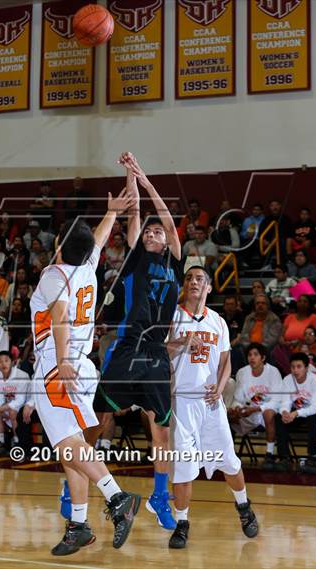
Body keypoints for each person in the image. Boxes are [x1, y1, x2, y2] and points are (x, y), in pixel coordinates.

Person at [31, 188, 140, 556]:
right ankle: (78, 525)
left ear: (59, 245)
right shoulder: (88, 267)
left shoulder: (53, 274)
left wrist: (60, 362)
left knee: (67, 445)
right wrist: (110, 214)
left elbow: (59, 318)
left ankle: (117, 497)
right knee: (71, 450)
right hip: (82, 364)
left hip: (57, 367)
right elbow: (95, 241)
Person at [93, 152, 182, 530]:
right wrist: (130, 175)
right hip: (127, 346)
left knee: (161, 431)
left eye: (156, 232)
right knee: (98, 418)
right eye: (147, 232)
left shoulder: (175, 260)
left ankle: (160, 496)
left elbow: (166, 220)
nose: (151, 233)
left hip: (156, 352)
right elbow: (135, 214)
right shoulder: (135, 261)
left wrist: (146, 180)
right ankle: (75, 481)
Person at [166, 266, 258, 549]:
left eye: (199, 279)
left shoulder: (217, 321)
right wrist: (181, 342)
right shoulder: (172, 317)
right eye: (189, 279)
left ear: (208, 288)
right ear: (184, 286)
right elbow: (159, 352)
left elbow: (225, 361)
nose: (194, 282)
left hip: (210, 403)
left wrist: (220, 388)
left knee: (229, 461)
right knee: (183, 468)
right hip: (182, 401)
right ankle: (182, 523)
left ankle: (244, 506)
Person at [229, 343, 282, 470]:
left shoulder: (273, 372)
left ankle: (269, 454)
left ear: (263, 358)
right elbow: (238, 399)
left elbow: (277, 400)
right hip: (248, 412)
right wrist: (237, 408)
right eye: (249, 355)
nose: (252, 358)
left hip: (266, 412)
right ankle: (228, 454)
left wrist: (256, 409)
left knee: (268, 412)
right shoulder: (242, 372)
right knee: (228, 415)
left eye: (255, 355)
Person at [274, 352, 316, 471]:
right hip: (294, 413)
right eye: (293, 367)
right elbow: (284, 401)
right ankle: (285, 458)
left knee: (315, 418)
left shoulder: (314, 380)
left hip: (309, 413)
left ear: (306, 368)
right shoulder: (287, 379)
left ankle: (313, 457)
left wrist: (296, 413)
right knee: (278, 418)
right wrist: (285, 412)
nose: (295, 370)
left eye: (299, 367)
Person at [0, 350, 30, 452]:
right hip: (7, 405)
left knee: (12, 412)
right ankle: (0, 443)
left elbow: (20, 400)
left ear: (12, 362)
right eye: (0, 361)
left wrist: (1, 408)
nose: (3, 364)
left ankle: (17, 442)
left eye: (6, 361)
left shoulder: (22, 376)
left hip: (25, 406)